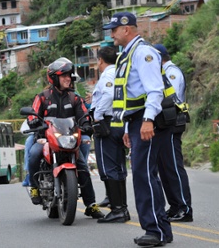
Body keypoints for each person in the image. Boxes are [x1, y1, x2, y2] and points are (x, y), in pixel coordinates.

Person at [103, 12, 173, 246]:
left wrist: (147, 120)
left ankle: (154, 230)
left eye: (114, 29)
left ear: (127, 29)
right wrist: (126, 127)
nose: (111, 33)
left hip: (144, 121)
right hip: (134, 122)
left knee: (144, 175)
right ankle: (160, 229)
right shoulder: (127, 54)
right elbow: (126, 96)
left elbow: (154, 91)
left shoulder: (143, 53)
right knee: (145, 175)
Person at [27, 57, 104, 219]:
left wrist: (87, 124)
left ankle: (91, 204)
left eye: (69, 75)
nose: (68, 78)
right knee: (34, 154)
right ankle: (34, 187)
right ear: (54, 78)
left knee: (82, 165)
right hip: (45, 139)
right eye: (64, 76)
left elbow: (83, 114)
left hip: (68, 139)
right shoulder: (42, 97)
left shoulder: (74, 98)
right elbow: (32, 114)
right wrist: (33, 121)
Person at [90, 46, 130, 223]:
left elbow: (107, 95)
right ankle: (123, 207)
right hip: (120, 122)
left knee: (108, 167)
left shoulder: (107, 75)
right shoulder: (120, 72)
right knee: (119, 167)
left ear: (100, 60)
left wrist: (97, 116)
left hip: (107, 123)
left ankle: (117, 209)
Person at [153, 44, 193, 222]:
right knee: (165, 167)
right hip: (163, 124)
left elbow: (170, 98)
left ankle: (184, 207)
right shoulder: (163, 72)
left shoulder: (171, 72)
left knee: (173, 167)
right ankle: (175, 206)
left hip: (172, 122)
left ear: (160, 57)